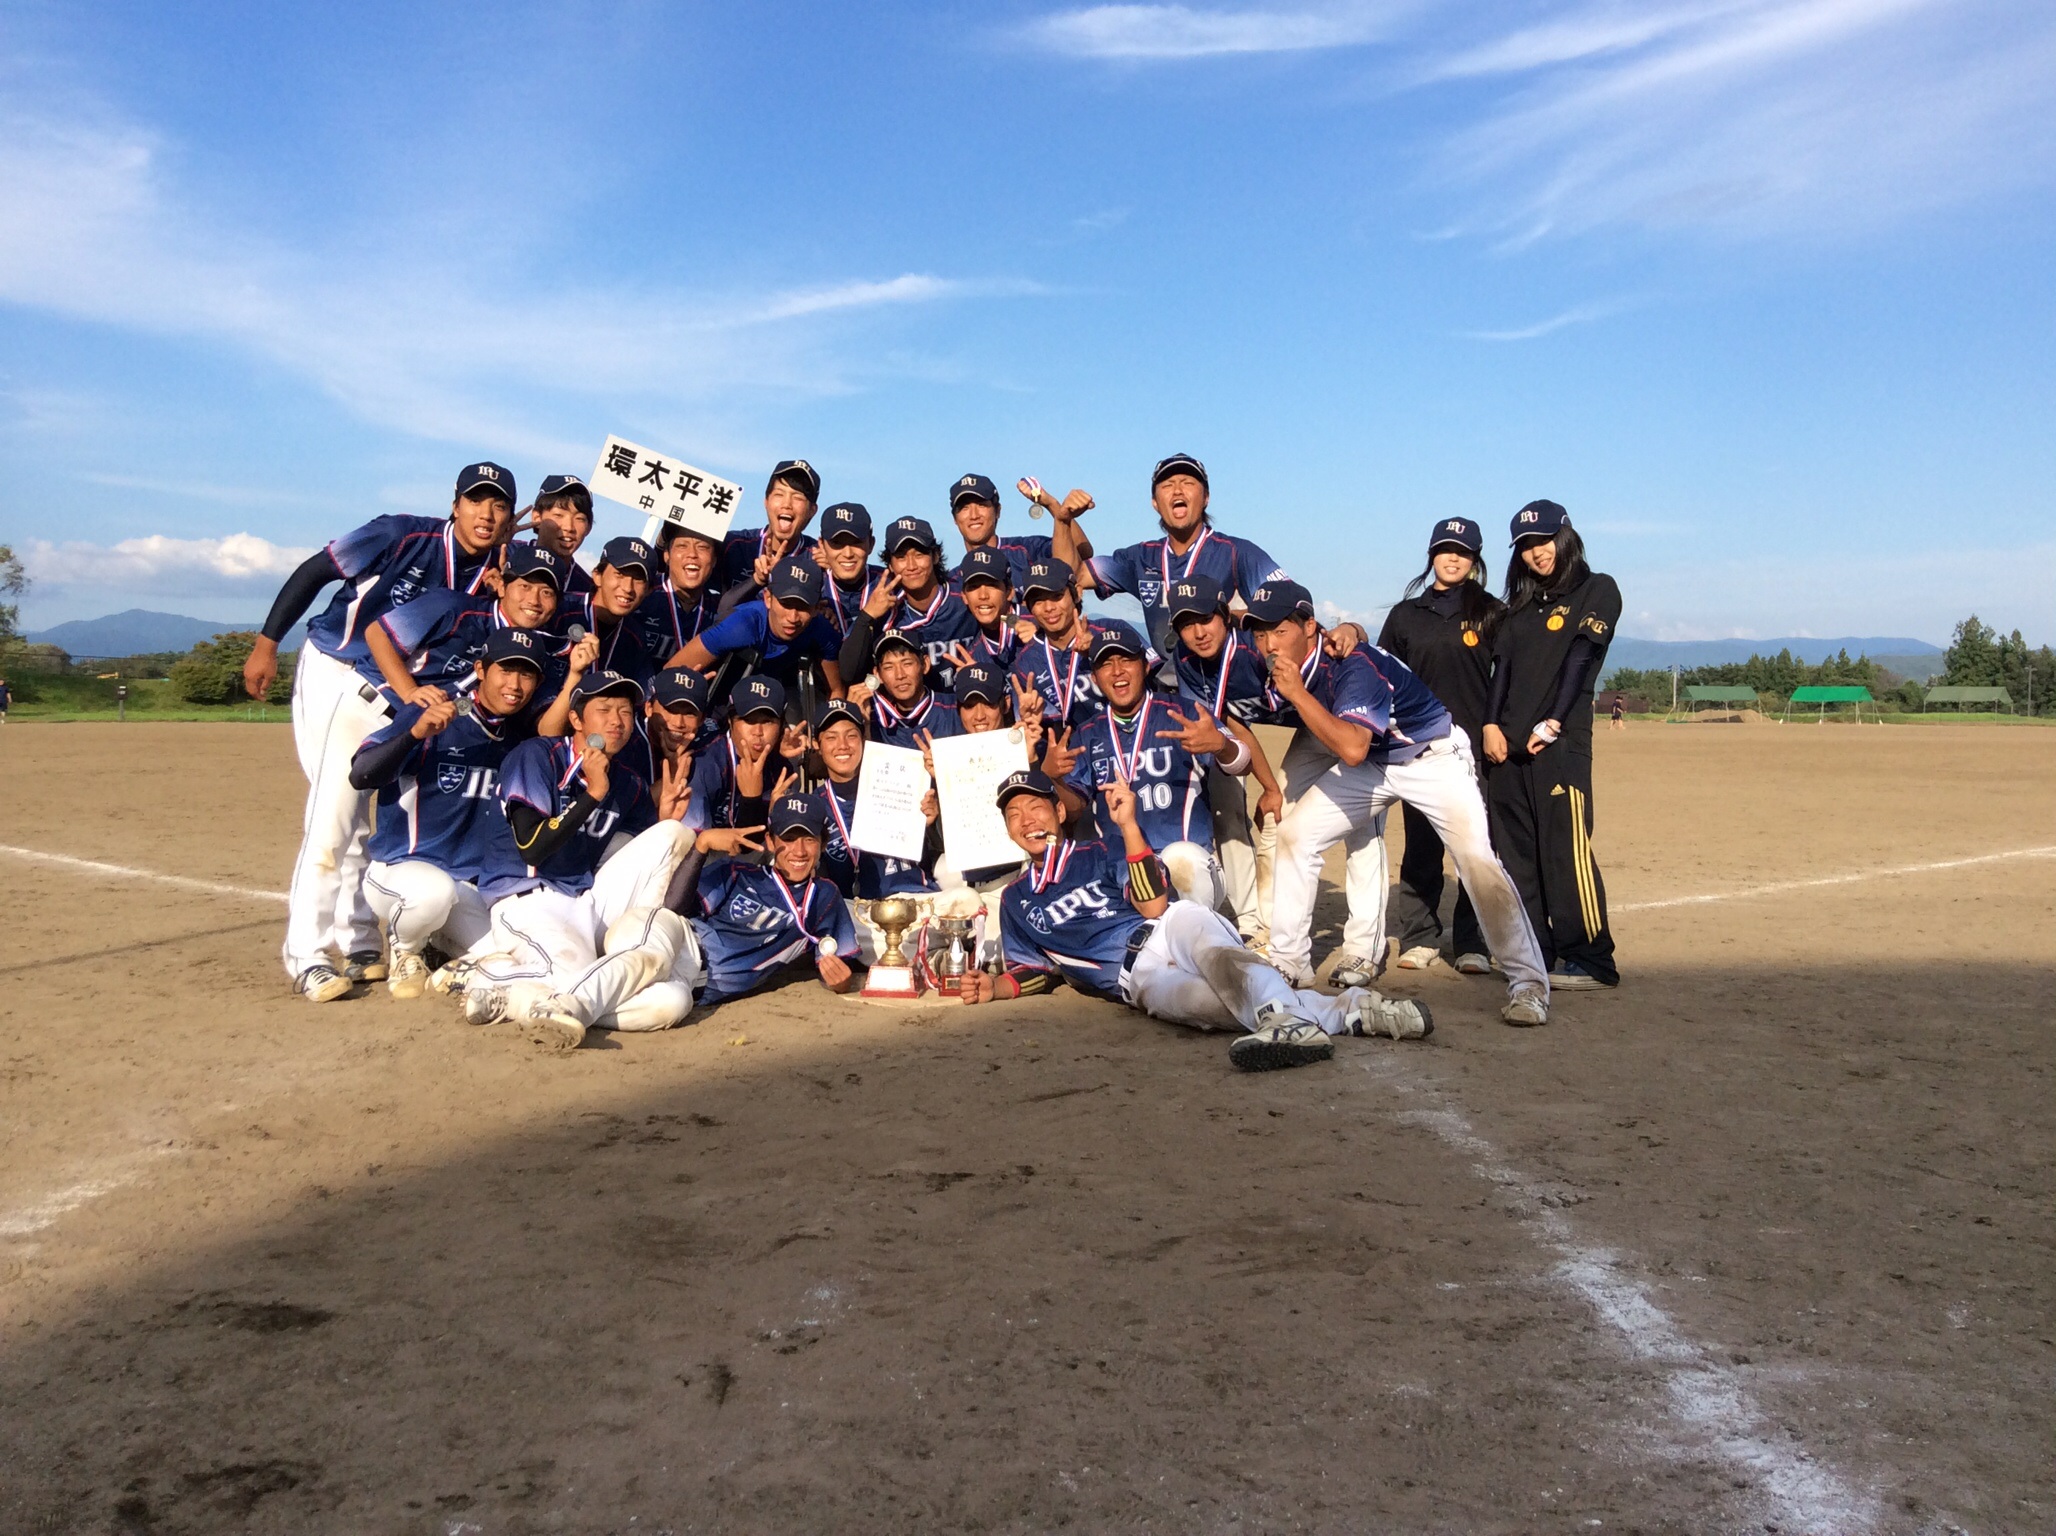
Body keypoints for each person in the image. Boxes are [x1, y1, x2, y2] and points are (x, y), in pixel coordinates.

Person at [956, 769, 1432, 1071]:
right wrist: (996, 987)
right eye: (1014, 814)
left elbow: (1153, 906)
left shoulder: (1101, 849)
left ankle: (1286, 1019)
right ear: (1007, 828)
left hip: (1168, 927)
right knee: (1215, 1008)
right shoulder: (1016, 900)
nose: (1027, 820)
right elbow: (1036, 970)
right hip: (1137, 980)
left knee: (1219, 957)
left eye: (1036, 807)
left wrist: (1128, 827)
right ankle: (1352, 1010)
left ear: (1059, 811)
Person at [253, 461, 512, 1000]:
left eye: (499, 505)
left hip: (405, 701)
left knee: (365, 817)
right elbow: (313, 572)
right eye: (476, 500)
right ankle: (307, 953)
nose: (486, 514)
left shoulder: (500, 574)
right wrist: (267, 643)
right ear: (455, 504)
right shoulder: (400, 534)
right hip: (340, 670)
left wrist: (504, 582)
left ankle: (361, 940)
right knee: (336, 815)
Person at [1244, 579, 1552, 1026]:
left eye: (1279, 631)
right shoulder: (1293, 662)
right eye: (1260, 634)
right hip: (1377, 763)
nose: (1269, 644)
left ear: (1310, 627)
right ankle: (1288, 962)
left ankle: (1528, 984)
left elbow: (1352, 748)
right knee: (1296, 834)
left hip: (1432, 757)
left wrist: (1299, 692)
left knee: (1475, 859)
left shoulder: (1353, 666)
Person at [440, 668, 697, 1050]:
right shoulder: (536, 756)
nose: (616, 721)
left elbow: (629, 861)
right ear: (576, 719)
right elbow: (532, 847)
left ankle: (563, 984)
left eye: (625, 712)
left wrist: (661, 818)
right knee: (578, 975)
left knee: (670, 1001)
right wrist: (592, 796)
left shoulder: (628, 782)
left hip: (586, 899)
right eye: (604, 710)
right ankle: (487, 977)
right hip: (529, 898)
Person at [349, 629, 547, 999]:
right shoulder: (432, 712)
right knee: (432, 895)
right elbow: (361, 775)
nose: (515, 685)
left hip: (466, 887)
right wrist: (415, 733)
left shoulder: (518, 740)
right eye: (506, 670)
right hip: (401, 870)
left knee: (512, 958)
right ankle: (406, 948)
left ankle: (444, 958)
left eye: (527, 675)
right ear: (481, 670)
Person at [1481, 501, 1623, 990]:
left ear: (1565, 537)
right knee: (1516, 854)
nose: (1535, 553)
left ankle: (1590, 958)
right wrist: (1490, 725)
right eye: (1525, 546)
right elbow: (1501, 670)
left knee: (1565, 850)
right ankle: (1534, 952)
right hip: (1507, 748)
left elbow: (1582, 656)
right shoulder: (1520, 606)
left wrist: (1554, 721)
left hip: (1558, 745)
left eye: (1543, 541)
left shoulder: (1597, 589)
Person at [1050, 625, 1252, 928]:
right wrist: (1054, 779)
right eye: (1106, 664)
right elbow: (1074, 809)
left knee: (1182, 859)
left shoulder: (1182, 712)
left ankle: (1196, 938)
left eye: (1126, 660)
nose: (1117, 671)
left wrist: (1221, 745)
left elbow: (1242, 763)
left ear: (1145, 666)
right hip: (1124, 868)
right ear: (1094, 678)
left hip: (1190, 862)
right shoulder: (1088, 733)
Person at [1375, 518, 1503, 976]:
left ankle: (1472, 941)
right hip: (1420, 750)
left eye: (1463, 552)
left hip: (1476, 752)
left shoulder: (1493, 613)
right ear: (1431, 555)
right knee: (1422, 847)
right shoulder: (1405, 616)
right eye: (1446, 550)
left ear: (1475, 560)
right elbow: (1382, 678)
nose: (1453, 559)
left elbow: (1506, 678)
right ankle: (1420, 937)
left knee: (1475, 847)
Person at [1050, 453, 1287, 657]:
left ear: (1206, 498)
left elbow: (1290, 607)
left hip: (1227, 683)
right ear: (1155, 502)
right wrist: (1062, 520)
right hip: (1166, 687)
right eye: (1167, 485)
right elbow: (1070, 576)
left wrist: (1227, 619)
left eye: (1188, 482)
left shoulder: (1236, 553)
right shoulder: (1141, 558)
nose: (1177, 490)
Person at [1165, 574, 1286, 943]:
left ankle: (1276, 925)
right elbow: (1229, 724)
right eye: (1186, 625)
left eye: (1206, 619)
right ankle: (1251, 922)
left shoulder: (1257, 644)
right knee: (1229, 810)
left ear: (1225, 615)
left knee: (1289, 821)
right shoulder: (1185, 658)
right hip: (1242, 733)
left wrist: (1352, 628)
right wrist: (1267, 785)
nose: (1198, 633)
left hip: (1317, 726)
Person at [659, 790, 862, 1010]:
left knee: (670, 1008)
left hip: (693, 991)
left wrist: (841, 982)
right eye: (788, 839)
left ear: (823, 844)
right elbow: (672, 909)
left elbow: (839, 965)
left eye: (809, 839)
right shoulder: (736, 872)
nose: (799, 851)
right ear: (770, 842)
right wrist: (702, 844)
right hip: (675, 945)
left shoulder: (824, 896)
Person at [353, 540, 565, 710]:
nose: (534, 600)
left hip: (418, 732)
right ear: (502, 587)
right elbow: (377, 633)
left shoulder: (534, 649)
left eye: (547, 592)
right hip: (372, 705)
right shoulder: (454, 607)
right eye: (525, 587)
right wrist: (409, 692)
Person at [809, 697, 945, 961]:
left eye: (851, 736)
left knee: (967, 901)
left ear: (864, 740)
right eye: (831, 737)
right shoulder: (814, 806)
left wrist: (932, 822)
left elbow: (943, 848)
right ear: (817, 744)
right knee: (829, 919)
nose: (843, 745)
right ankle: (924, 956)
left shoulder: (902, 780)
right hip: (861, 912)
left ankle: (906, 952)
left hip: (918, 902)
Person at [673, 555, 845, 709]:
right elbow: (671, 671)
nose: (793, 617)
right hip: (720, 700)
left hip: (779, 697)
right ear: (768, 599)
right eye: (785, 604)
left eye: (803, 607)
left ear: (816, 608)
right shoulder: (741, 625)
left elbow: (836, 691)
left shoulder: (823, 631)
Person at [838, 516, 981, 693]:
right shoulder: (884, 607)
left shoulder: (964, 595)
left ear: (935, 556)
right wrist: (867, 616)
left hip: (969, 701)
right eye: (901, 557)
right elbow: (848, 673)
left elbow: (1004, 626)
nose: (911, 565)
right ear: (890, 565)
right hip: (911, 708)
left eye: (919, 554)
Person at [1007, 555, 1138, 739]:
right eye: (1038, 600)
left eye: (1057, 596)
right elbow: (1044, 731)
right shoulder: (1025, 663)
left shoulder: (1115, 630)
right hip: (1075, 750)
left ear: (1077, 592)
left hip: (1134, 738)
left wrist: (1101, 654)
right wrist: (1031, 720)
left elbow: (1154, 686)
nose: (1048, 607)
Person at [683, 674, 802, 837]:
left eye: (767, 721)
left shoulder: (780, 766)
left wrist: (773, 816)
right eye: (749, 720)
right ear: (730, 721)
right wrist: (751, 799)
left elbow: (765, 841)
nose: (758, 732)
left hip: (757, 845)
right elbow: (693, 843)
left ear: (782, 725)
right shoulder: (705, 762)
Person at [946, 472, 1085, 593]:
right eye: (964, 508)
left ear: (997, 511)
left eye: (982, 505)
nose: (974, 515)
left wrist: (1053, 505)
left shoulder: (1027, 549)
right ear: (954, 519)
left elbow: (1081, 551)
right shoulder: (952, 583)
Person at [719, 459, 821, 591]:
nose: (786, 504)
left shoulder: (818, 558)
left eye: (798, 497)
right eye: (779, 494)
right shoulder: (734, 545)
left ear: (812, 510)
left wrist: (834, 573)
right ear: (766, 501)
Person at [630, 523, 724, 659]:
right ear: (666, 556)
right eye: (682, 546)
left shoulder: (721, 610)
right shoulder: (641, 593)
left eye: (702, 547)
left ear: (714, 560)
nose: (692, 554)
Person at [862, 628, 963, 752]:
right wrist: (862, 723)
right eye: (889, 667)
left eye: (907, 664)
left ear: (925, 664)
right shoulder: (874, 720)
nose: (900, 675)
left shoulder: (957, 709)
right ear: (877, 674)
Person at [526, 474, 598, 630]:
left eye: (580, 518)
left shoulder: (587, 589)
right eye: (558, 515)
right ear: (537, 517)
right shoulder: (504, 555)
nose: (569, 527)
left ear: (589, 528)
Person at [814, 503, 886, 642]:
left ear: (871, 544)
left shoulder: (891, 585)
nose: (848, 554)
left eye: (856, 542)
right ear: (822, 545)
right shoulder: (811, 588)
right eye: (837, 543)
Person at [953, 547, 1025, 669]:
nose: (983, 596)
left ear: (1009, 592)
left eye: (992, 585)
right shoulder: (971, 658)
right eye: (974, 586)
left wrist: (1044, 641)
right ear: (964, 597)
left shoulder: (1040, 624)